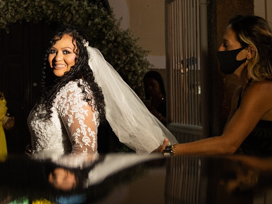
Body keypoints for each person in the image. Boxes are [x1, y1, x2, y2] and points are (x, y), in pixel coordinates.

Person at [28, 27, 170, 165]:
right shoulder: (58, 90)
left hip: (63, 181)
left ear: (81, 57)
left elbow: (85, 153)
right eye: (53, 51)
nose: (57, 58)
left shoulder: (75, 91)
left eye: (66, 52)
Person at [163, 15, 272, 158]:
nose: (220, 50)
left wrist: (170, 150)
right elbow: (226, 143)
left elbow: (227, 145)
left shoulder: (264, 89)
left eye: (226, 44)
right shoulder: (240, 92)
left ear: (250, 52)